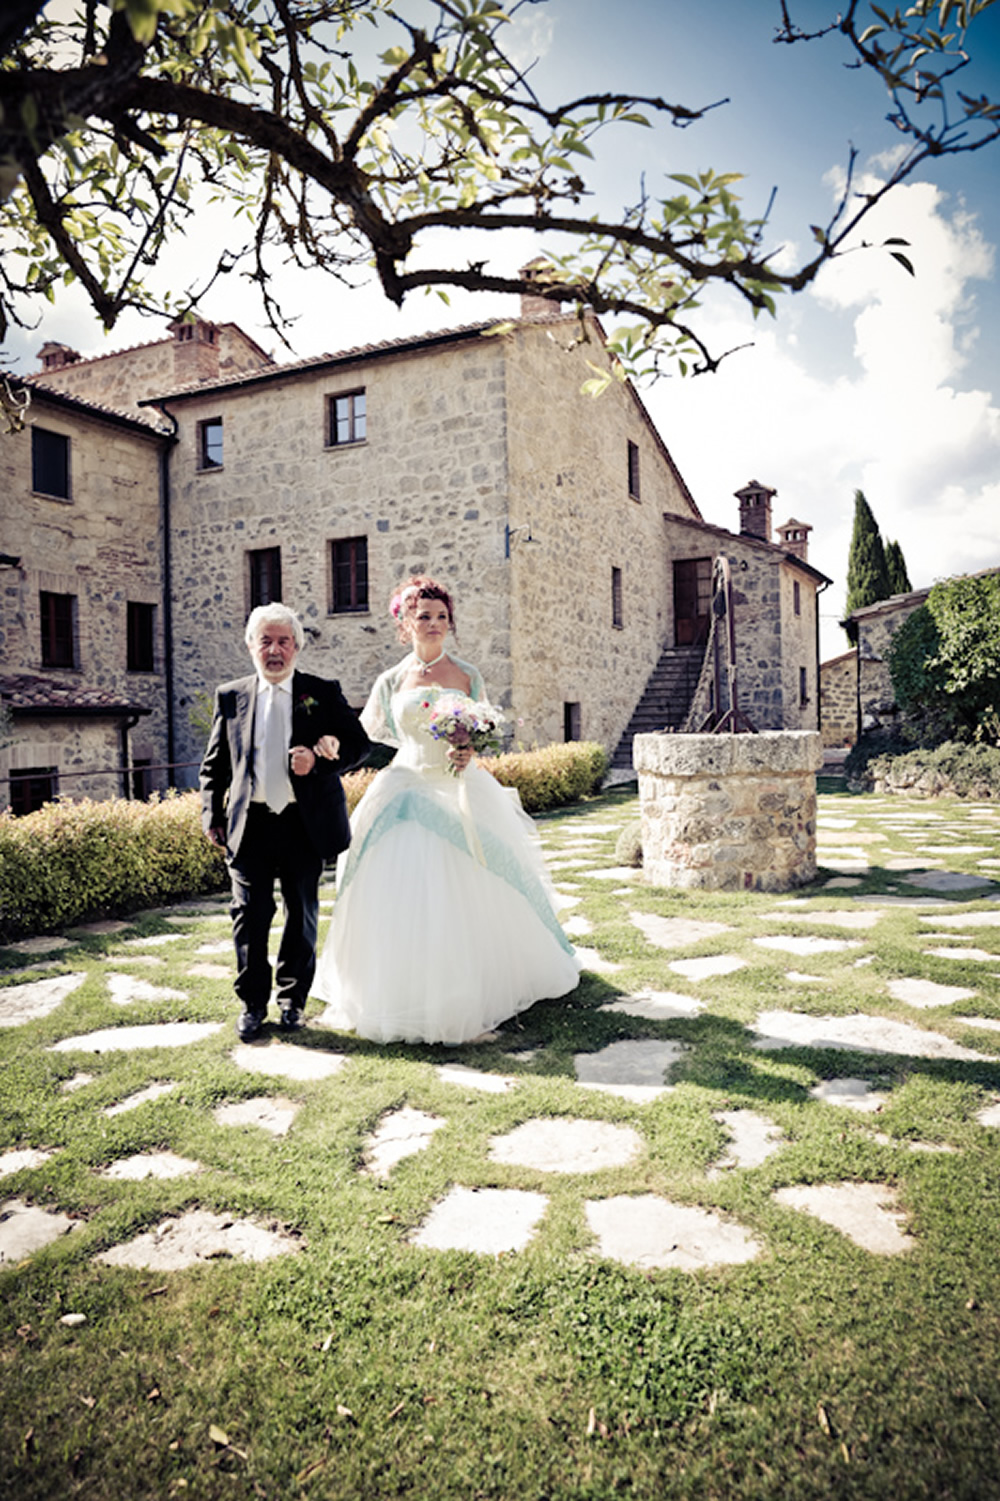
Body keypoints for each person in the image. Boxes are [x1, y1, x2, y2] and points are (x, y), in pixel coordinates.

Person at [311, 575, 580, 1044]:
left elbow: (482, 731)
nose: (433, 624)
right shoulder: (391, 680)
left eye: (440, 617)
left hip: (459, 788)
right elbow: (366, 736)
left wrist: (468, 751)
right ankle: (394, 990)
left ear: (450, 623)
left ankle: (470, 991)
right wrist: (329, 740)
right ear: (406, 624)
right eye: (423, 616)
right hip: (404, 786)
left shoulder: (468, 675)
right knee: (398, 890)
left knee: (473, 886)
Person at [200, 603, 370, 1040]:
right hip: (249, 824)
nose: (275, 650)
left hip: (303, 823)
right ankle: (253, 1004)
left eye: (284, 641)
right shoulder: (230, 696)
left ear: (296, 646)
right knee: (249, 916)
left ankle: (293, 1001)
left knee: (302, 915)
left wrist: (318, 758)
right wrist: (212, 814)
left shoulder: (321, 691)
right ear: (251, 646)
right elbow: (214, 767)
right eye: (266, 641)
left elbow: (358, 745)